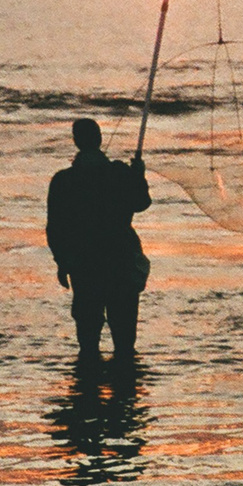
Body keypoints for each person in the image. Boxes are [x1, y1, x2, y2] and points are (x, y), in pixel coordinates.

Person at [46, 118, 152, 361]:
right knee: (124, 341)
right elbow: (141, 203)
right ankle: (124, 391)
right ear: (100, 139)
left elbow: (55, 228)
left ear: (76, 141)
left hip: (84, 264)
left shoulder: (64, 181)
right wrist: (138, 176)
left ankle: (88, 391)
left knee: (88, 340)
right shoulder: (120, 174)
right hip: (121, 262)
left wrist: (62, 263)